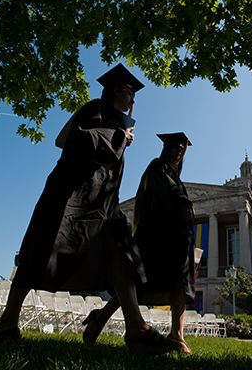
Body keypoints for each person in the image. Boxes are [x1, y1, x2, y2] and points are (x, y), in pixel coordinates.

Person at [0, 64, 180, 356]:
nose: (133, 100)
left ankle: (136, 329)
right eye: (130, 92)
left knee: (124, 252)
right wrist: (121, 138)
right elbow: (64, 139)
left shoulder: (117, 120)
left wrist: (121, 136)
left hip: (103, 201)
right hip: (72, 194)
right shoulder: (96, 109)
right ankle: (6, 322)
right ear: (117, 89)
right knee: (42, 251)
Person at [82, 132, 196, 355]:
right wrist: (183, 199)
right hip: (157, 236)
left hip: (179, 236)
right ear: (167, 148)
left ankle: (177, 335)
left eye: (182, 150)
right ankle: (100, 317)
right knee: (137, 283)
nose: (178, 152)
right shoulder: (157, 167)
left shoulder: (176, 176)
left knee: (180, 280)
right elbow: (164, 191)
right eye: (175, 147)